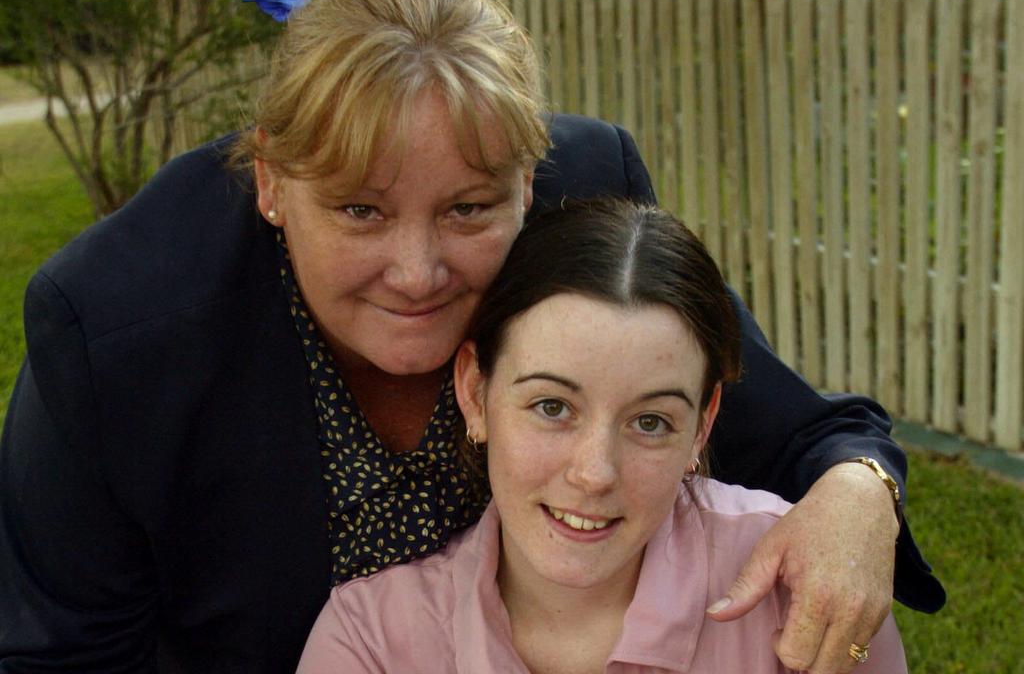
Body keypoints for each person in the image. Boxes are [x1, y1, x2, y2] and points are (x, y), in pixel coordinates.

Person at [0, 0, 941, 674]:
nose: (417, 272)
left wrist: (863, 495)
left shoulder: (588, 195)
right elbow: (62, 652)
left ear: (533, 184)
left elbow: (796, 431)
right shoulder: (114, 327)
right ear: (274, 185)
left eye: (469, 209)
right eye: (361, 210)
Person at [296, 198, 909, 674]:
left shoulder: (811, 585)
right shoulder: (370, 639)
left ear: (703, 424)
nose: (595, 473)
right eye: (552, 406)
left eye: (650, 422)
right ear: (475, 394)